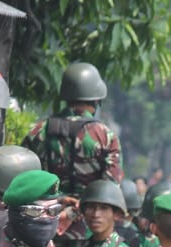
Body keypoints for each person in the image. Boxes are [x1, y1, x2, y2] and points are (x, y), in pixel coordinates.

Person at [22, 62, 123, 198]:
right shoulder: (105, 135)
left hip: (46, 211)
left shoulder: (39, 130)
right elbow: (111, 188)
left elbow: (24, 176)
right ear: (96, 100)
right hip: (88, 213)